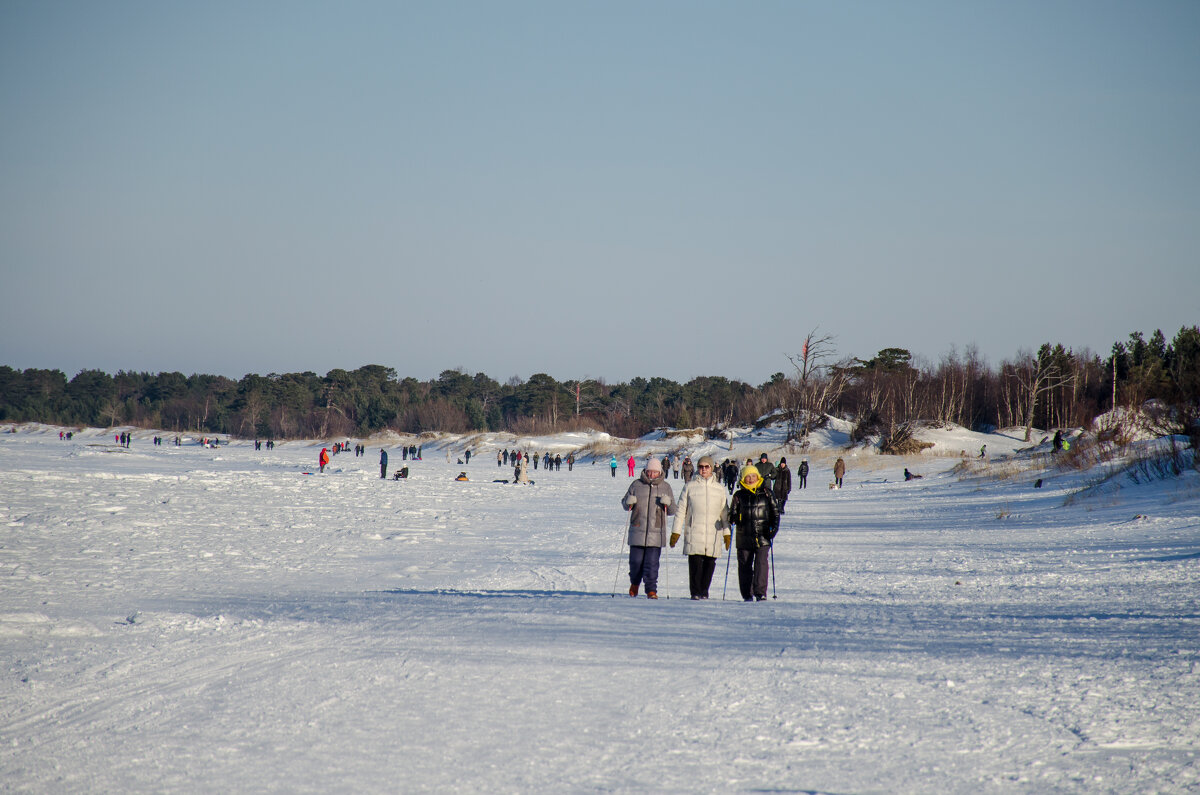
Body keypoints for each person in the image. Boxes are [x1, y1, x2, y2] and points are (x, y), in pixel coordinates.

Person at [670, 456, 730, 599]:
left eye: (706, 467)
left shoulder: (719, 489)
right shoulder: (689, 487)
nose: (703, 469)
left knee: (710, 562)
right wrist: (676, 532)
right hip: (694, 530)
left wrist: (726, 533)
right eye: (701, 467)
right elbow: (681, 511)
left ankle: (704, 590)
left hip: (713, 532)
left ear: (711, 468)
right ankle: (695, 592)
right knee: (695, 562)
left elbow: (725, 513)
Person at [620, 457, 676, 599]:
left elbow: (672, 510)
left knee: (652, 564)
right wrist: (629, 501)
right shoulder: (636, 485)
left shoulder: (666, 487)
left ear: (660, 472)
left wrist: (667, 503)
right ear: (645, 471)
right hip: (637, 529)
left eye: (655, 472)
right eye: (649, 471)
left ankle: (651, 590)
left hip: (656, 532)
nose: (652, 475)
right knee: (635, 562)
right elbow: (625, 505)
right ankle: (634, 583)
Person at [729, 464, 778, 601]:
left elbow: (775, 513)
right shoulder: (738, 495)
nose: (750, 479)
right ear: (743, 479)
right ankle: (747, 593)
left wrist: (773, 529)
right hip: (744, 535)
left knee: (761, 564)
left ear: (758, 476)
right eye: (747, 476)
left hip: (763, 535)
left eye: (753, 476)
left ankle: (760, 592)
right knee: (744, 565)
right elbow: (732, 514)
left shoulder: (767, 492)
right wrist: (733, 517)